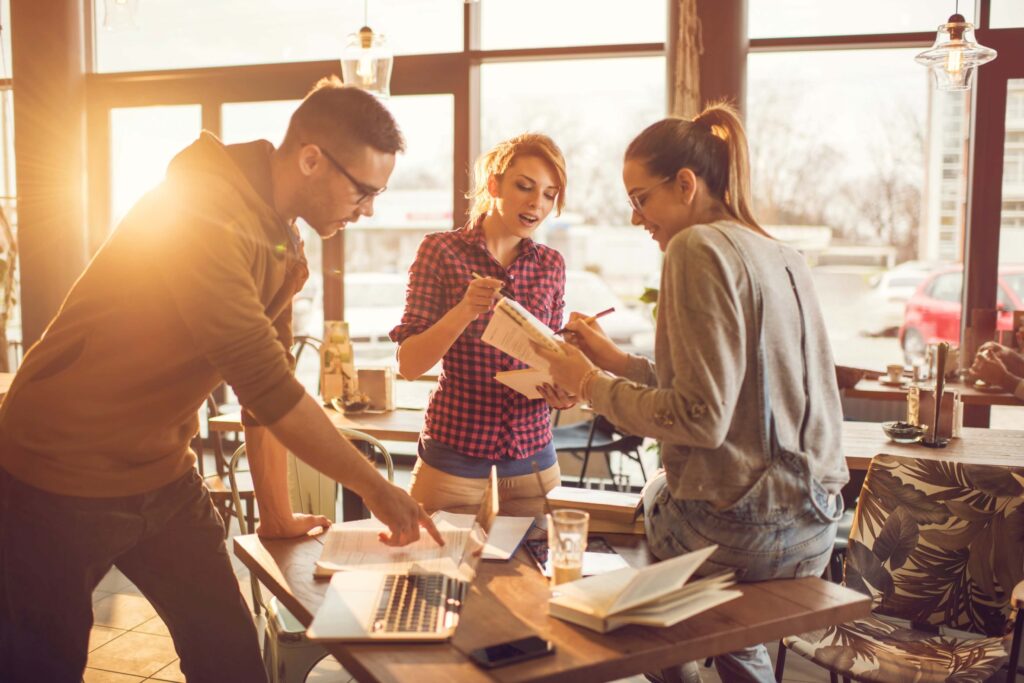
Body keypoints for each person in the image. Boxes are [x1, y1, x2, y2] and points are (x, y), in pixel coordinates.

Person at [0, 77, 442, 683]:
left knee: (230, 653)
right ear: (311, 159)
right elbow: (266, 385)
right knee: (43, 665)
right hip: (57, 468)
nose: (368, 209)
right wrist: (377, 487)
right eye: (363, 190)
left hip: (159, 469)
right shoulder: (203, 211)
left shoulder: (283, 241)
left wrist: (277, 515)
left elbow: (269, 388)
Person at [534, 103, 849, 683]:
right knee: (716, 612)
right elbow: (734, 390)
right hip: (817, 528)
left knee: (640, 523)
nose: (636, 219)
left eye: (639, 199)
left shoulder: (695, 247)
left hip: (741, 536)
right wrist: (614, 362)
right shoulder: (782, 255)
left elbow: (700, 418)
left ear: (685, 184)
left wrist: (585, 382)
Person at [390, 133, 574, 512]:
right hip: (454, 457)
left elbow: (551, 357)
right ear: (493, 185)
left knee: (540, 570)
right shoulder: (440, 251)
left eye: (549, 194)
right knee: (437, 570)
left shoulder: (551, 264)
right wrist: (463, 311)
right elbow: (409, 365)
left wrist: (565, 390)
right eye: (524, 186)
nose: (536, 203)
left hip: (533, 457)